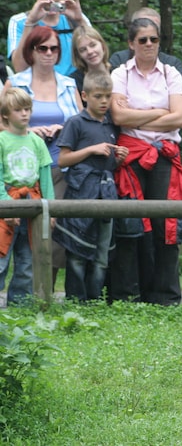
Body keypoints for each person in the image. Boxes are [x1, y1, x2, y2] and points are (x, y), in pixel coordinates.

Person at [108, 17, 182, 306]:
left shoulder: (170, 74)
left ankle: (165, 296)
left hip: (163, 153)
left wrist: (139, 114)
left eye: (153, 39)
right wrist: (159, 111)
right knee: (132, 223)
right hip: (130, 154)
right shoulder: (120, 74)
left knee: (164, 223)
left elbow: (179, 117)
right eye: (142, 40)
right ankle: (129, 294)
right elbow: (119, 117)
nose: (148, 45)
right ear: (131, 44)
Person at [3, 25, 82, 287]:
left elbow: (81, 123)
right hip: (16, 169)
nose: (49, 53)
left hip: (58, 166)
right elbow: (2, 120)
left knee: (48, 234)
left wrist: (64, 129)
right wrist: (30, 131)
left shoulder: (70, 84)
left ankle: (40, 294)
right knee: (7, 240)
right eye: (43, 48)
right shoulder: (16, 82)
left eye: (54, 48)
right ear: (31, 51)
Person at [53, 72, 127, 302]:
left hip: (105, 193)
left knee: (102, 253)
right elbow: (63, 160)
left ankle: (94, 302)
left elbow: (108, 163)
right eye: (98, 96)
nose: (104, 101)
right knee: (76, 252)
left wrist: (119, 158)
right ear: (85, 96)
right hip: (80, 192)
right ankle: (76, 302)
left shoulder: (110, 125)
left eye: (107, 96)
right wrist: (91, 150)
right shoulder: (75, 123)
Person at [0, 88, 55, 305]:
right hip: (7, 198)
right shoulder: (2, 141)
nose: (24, 114)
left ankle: (20, 309)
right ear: (6, 114)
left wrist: (51, 210)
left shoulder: (37, 142)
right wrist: (6, 207)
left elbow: (45, 177)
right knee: (2, 256)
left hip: (32, 202)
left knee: (27, 260)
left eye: (27, 109)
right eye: (18, 110)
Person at [7, 0, 90, 76]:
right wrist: (30, 23)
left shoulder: (75, 19)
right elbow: (19, 68)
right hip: (37, 86)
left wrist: (80, 21)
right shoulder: (19, 21)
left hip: (75, 85)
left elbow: (96, 56)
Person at [109, 7, 182, 86]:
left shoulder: (172, 65)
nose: (149, 43)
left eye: (154, 37)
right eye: (144, 24)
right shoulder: (119, 60)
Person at [70, 25, 111, 94]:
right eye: (83, 50)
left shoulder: (119, 74)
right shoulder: (74, 82)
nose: (90, 52)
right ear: (78, 55)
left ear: (102, 45)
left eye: (93, 45)